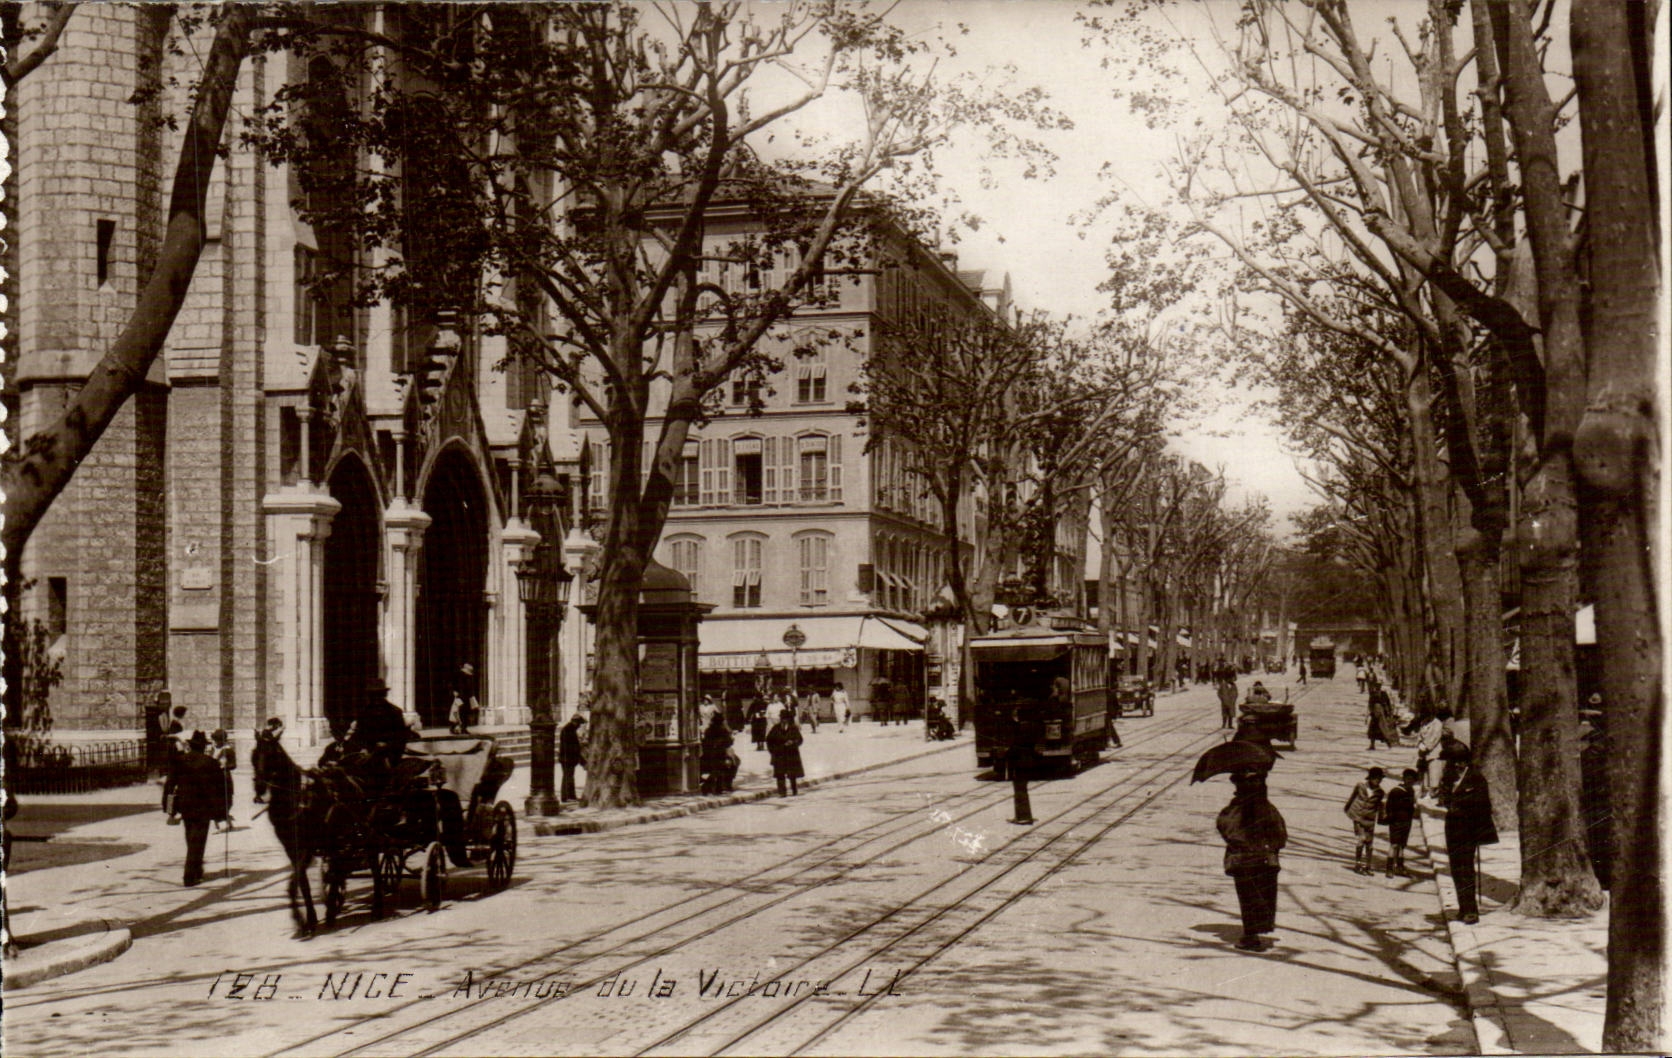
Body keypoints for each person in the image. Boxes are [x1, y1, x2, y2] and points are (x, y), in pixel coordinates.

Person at [1217, 769, 1287, 951]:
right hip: (1265, 859)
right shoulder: (1266, 806)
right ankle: (1259, 930)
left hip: (1243, 859)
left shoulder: (1236, 808)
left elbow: (1225, 827)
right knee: (1263, 895)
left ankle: (1251, 936)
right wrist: (1272, 846)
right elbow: (1281, 833)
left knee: (1247, 896)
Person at [1441, 739, 1498, 924]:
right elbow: (1444, 797)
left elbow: (1483, 805)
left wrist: (1463, 809)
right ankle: (1462, 907)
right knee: (1456, 869)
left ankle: (1471, 910)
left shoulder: (1476, 779)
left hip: (1469, 830)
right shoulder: (1448, 777)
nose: (1457, 765)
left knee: (1466, 869)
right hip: (1452, 830)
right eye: (1453, 761)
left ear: (1466, 761)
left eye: (1460, 761)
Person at [164, 731, 229, 886]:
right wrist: (221, 813)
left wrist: (169, 810)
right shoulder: (210, 763)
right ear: (203, 747)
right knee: (198, 840)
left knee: (191, 837)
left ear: (191, 746)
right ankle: (189, 874)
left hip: (185, 805)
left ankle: (197, 869)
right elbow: (221, 789)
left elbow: (170, 784)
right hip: (204, 807)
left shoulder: (180, 761)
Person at [1344, 766, 1385, 875]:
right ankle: (1358, 864)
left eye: (1379, 779)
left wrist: (1381, 818)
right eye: (1375, 778)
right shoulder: (1360, 786)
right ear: (1370, 778)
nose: (1377, 781)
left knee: (1369, 843)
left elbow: (1380, 806)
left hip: (1370, 819)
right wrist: (1348, 808)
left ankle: (1368, 866)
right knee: (1361, 839)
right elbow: (1352, 797)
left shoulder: (1380, 792)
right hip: (1358, 816)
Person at [1006, 707, 1040, 825]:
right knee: (1023, 790)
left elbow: (1015, 747)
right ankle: (1025, 816)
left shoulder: (1019, 730)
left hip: (1019, 763)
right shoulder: (1030, 727)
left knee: (1019, 791)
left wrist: (1008, 753)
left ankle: (1021, 817)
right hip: (1028, 763)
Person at [1384, 768, 1418, 877]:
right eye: (1408, 779)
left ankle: (1399, 867)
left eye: (1412, 780)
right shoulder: (1396, 791)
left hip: (1407, 822)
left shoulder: (1411, 791)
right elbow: (1389, 807)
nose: (1410, 782)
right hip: (1396, 822)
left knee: (1402, 845)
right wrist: (1392, 819)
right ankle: (1389, 868)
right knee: (1394, 845)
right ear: (1404, 779)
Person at [766, 712, 805, 796]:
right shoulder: (775, 728)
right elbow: (769, 740)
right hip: (779, 754)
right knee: (780, 774)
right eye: (782, 718)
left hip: (791, 754)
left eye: (786, 718)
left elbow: (800, 739)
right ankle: (782, 792)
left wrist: (793, 742)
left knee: (792, 774)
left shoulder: (793, 728)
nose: (784, 720)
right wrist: (773, 751)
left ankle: (794, 789)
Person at [700, 711, 738, 794]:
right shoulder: (723, 730)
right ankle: (724, 786)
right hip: (720, 754)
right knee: (733, 762)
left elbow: (705, 742)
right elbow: (729, 742)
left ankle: (715, 787)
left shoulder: (708, 730)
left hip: (708, 754)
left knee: (718, 769)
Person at [1416, 708, 1447, 801]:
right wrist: (1420, 743)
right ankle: (1425, 790)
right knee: (1424, 771)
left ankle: (1432, 792)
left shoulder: (1437, 723)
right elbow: (1419, 734)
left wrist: (1427, 746)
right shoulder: (1423, 722)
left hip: (1434, 751)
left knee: (1434, 772)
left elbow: (1435, 737)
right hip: (1423, 752)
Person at [252, 717, 284, 804]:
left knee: (264, 776)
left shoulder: (265, 732)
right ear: (273, 725)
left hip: (262, 757)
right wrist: (280, 733)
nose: (276, 728)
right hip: (263, 758)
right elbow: (271, 742)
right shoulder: (266, 732)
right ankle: (258, 796)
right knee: (262, 776)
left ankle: (259, 796)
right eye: (276, 726)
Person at [210, 729, 238, 831]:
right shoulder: (213, 749)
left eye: (217, 740)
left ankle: (227, 822)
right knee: (214, 801)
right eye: (215, 740)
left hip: (224, 778)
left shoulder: (228, 750)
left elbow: (234, 764)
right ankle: (216, 825)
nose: (216, 742)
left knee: (226, 801)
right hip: (213, 779)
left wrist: (224, 766)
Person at [559, 711, 587, 802]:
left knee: (569, 776)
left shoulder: (570, 729)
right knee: (568, 776)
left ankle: (571, 796)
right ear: (575, 722)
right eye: (579, 723)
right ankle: (566, 796)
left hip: (569, 758)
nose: (579, 726)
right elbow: (570, 747)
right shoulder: (567, 730)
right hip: (567, 758)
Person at [450, 662, 478, 735]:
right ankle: (455, 728)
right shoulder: (458, 676)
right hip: (460, 697)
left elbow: (469, 688)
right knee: (457, 713)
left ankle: (463, 728)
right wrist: (454, 692)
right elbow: (453, 686)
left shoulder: (468, 678)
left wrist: (471, 696)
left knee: (464, 713)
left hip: (466, 698)